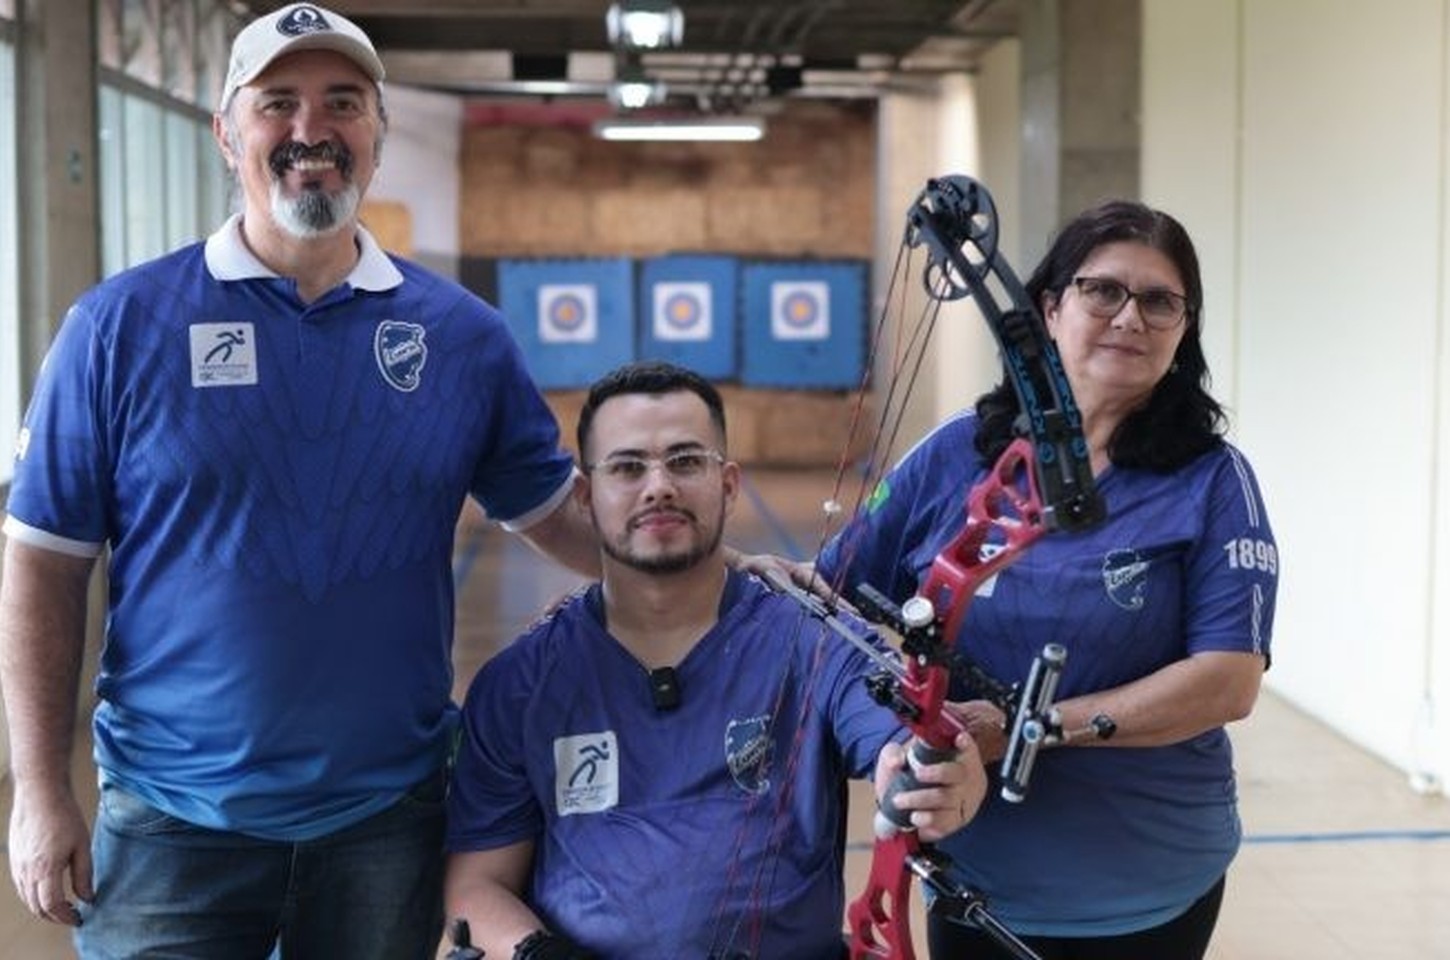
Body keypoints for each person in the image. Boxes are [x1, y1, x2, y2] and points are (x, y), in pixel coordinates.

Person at [0, 4, 600, 957]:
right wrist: (38, 788)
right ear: (227, 132)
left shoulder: (461, 338)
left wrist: (729, 572)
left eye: (343, 103)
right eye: (278, 103)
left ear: (378, 133)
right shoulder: (118, 326)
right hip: (172, 826)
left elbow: (559, 516)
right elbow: (43, 561)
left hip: (387, 825)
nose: (311, 131)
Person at [754, 200, 1278, 959]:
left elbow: (1229, 681)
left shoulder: (1213, 479)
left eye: (1160, 301)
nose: (1130, 318)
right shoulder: (955, 451)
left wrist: (1031, 727)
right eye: (1103, 291)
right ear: (1049, 306)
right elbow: (833, 606)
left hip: (1147, 878)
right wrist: (760, 587)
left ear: (1183, 328)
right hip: (974, 869)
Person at [442, 360, 987, 960]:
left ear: (728, 485)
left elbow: (903, 737)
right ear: (585, 496)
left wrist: (933, 776)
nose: (659, 486)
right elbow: (476, 884)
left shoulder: (815, 638)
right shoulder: (519, 681)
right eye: (627, 467)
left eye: (685, 461)